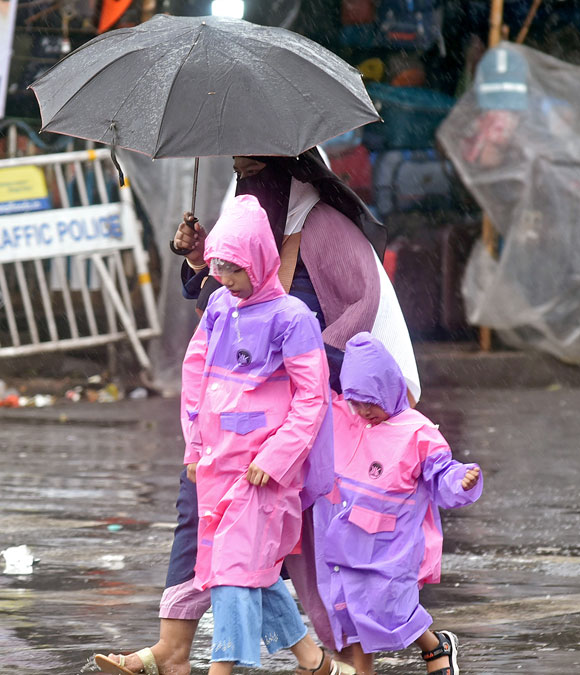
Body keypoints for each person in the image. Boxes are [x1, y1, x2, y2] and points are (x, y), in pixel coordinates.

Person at [99, 149, 416, 675]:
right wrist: (204, 261)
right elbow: (211, 338)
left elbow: (353, 327)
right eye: (237, 175)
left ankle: (336, 660)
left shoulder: (325, 232)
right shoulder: (251, 238)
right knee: (216, 539)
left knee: (308, 556)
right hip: (225, 440)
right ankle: (188, 648)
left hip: (296, 434)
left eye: (252, 175)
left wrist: (288, 356)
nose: (243, 187)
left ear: (287, 173)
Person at [160, 194, 338, 675]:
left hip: (263, 471)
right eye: (218, 267)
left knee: (234, 574)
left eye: (234, 269)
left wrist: (277, 458)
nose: (224, 279)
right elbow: (195, 373)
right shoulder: (219, 303)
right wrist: (195, 445)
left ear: (261, 262)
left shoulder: (293, 319)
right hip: (218, 463)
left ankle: (224, 667)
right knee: (244, 567)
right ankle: (314, 661)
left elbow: (312, 398)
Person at [314, 332, 482, 675]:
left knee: (388, 608)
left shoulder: (416, 432)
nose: (363, 411)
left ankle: (436, 646)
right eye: (355, 401)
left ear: (390, 388)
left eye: (370, 402)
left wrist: (461, 479)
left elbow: (441, 472)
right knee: (351, 608)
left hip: (390, 546)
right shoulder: (345, 418)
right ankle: (364, 671)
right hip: (344, 540)